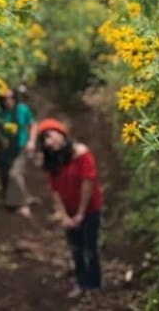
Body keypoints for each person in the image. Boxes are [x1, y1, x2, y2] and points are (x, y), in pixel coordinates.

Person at [37, 117, 103, 298]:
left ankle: (94, 284)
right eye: (46, 139)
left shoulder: (82, 154)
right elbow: (55, 190)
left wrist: (81, 213)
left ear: (62, 133)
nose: (51, 141)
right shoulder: (52, 159)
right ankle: (81, 282)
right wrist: (63, 215)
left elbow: (88, 183)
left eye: (52, 135)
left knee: (90, 247)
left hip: (89, 210)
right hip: (69, 211)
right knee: (76, 248)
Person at [0, 87, 38, 217]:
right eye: (5, 98)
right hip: (5, 150)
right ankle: (10, 203)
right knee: (5, 176)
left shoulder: (23, 110)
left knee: (15, 174)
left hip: (21, 147)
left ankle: (23, 203)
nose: (8, 101)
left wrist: (32, 141)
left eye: (11, 98)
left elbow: (33, 124)